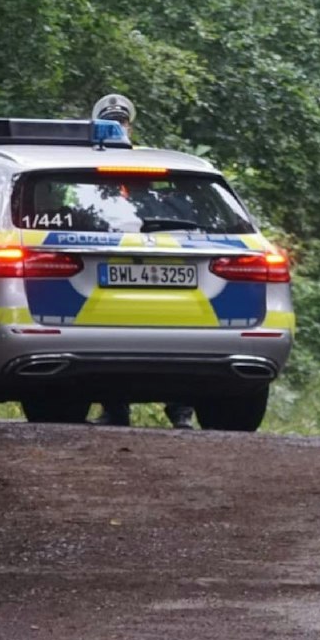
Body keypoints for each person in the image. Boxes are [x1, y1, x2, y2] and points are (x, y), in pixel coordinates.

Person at [87, 93, 197, 432]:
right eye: (112, 123)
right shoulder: (84, 164)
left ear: (130, 126)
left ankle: (181, 411)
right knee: (109, 337)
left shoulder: (145, 162)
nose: (119, 128)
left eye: (122, 122)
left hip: (157, 253)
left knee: (177, 336)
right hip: (111, 255)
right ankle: (115, 409)